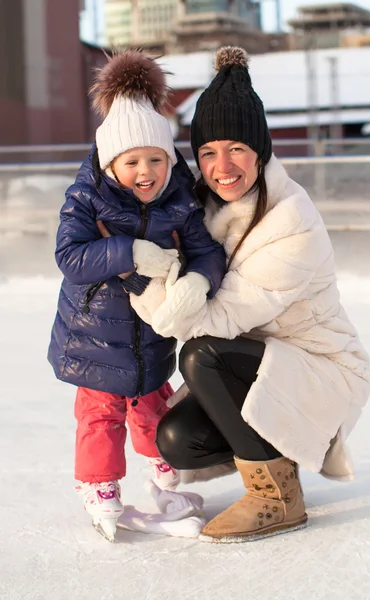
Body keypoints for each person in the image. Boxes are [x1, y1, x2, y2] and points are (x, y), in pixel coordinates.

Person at [130, 46, 370, 543]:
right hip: (252, 362)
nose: (223, 166)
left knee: (201, 354)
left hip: (318, 363)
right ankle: (272, 455)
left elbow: (223, 317)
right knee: (177, 440)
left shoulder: (291, 219)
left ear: (260, 151)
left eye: (237, 148)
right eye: (208, 152)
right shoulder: (201, 208)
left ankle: (276, 497)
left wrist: (152, 291)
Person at [47, 50, 226, 540]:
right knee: (101, 411)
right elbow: (71, 257)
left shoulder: (180, 199)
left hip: (151, 331)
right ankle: (99, 486)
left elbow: (206, 250)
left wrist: (199, 279)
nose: (145, 171)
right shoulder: (87, 197)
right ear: (111, 164)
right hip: (93, 335)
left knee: (152, 404)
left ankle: (164, 474)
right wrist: (130, 253)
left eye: (156, 159)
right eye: (132, 161)